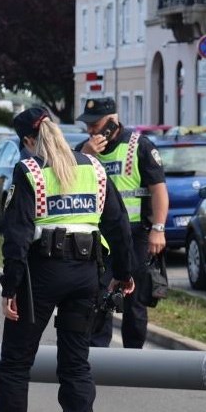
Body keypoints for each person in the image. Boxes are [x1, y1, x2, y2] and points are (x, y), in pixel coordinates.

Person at [0, 107, 135, 412]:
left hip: (42, 277)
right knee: (75, 364)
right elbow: (118, 225)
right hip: (86, 277)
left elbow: (17, 236)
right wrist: (125, 274)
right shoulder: (95, 168)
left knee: (15, 364)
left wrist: (9, 288)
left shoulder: (28, 170)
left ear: (29, 140)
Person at [76, 97, 169, 349]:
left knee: (133, 300)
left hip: (134, 235)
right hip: (96, 236)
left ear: (112, 122)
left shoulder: (140, 146)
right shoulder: (83, 150)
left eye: (96, 125)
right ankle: (98, 353)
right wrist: (85, 155)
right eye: (88, 125)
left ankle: (133, 358)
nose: (91, 130)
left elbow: (159, 190)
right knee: (98, 295)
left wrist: (158, 229)